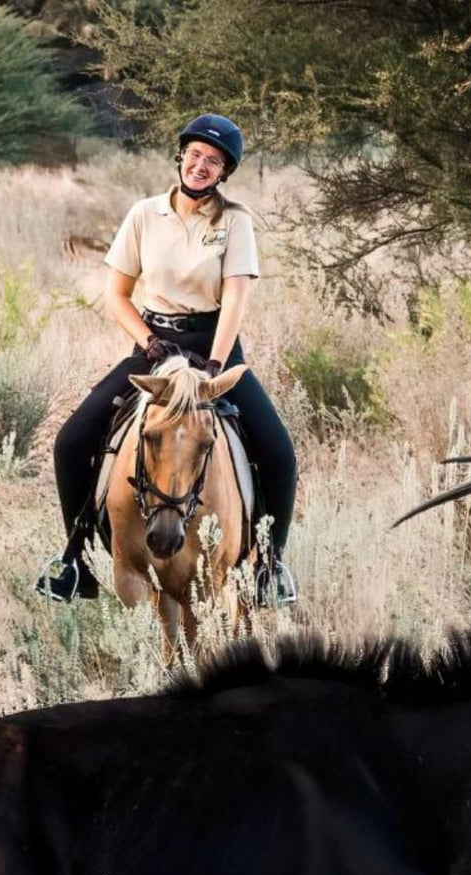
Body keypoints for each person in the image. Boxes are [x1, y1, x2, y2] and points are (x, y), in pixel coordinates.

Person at [38, 113, 298, 606]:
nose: (201, 166)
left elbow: (236, 298)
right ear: (181, 156)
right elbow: (116, 295)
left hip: (214, 350)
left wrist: (216, 366)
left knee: (279, 451)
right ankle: (74, 558)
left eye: (214, 162)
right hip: (154, 344)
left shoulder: (235, 221)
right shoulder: (144, 214)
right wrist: (148, 341)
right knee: (72, 440)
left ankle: (271, 566)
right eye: (195, 155)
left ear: (224, 173)